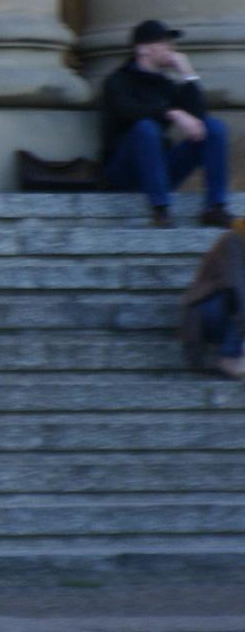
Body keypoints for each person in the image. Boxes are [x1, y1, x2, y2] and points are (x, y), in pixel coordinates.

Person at [101, 19, 233, 229]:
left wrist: (187, 75)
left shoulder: (166, 85)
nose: (170, 47)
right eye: (163, 42)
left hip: (161, 169)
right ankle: (160, 209)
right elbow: (127, 111)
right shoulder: (117, 82)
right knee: (147, 128)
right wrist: (173, 113)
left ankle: (215, 208)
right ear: (142, 48)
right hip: (125, 171)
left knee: (214, 127)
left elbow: (199, 117)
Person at [180, 220, 245, 379]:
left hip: (230, 318)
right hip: (206, 315)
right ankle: (229, 356)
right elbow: (232, 289)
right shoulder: (234, 238)